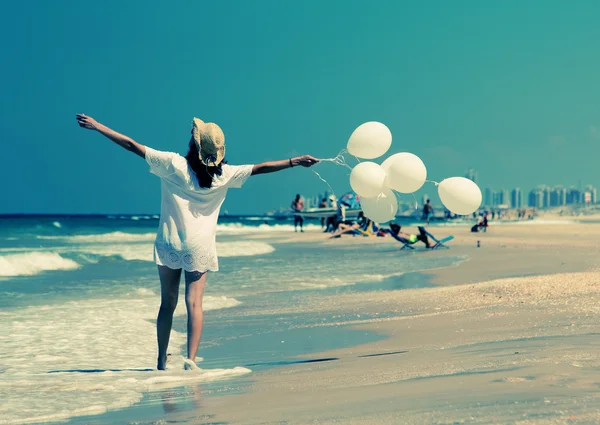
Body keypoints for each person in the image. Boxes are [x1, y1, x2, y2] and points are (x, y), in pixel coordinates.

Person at [76, 114, 318, 370]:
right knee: (195, 304)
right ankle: (190, 360)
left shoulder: (173, 164)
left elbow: (132, 145)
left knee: (167, 303)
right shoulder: (224, 175)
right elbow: (260, 168)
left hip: (170, 243)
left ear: (194, 144)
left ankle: (161, 360)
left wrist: (98, 126)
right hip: (199, 247)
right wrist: (294, 162)